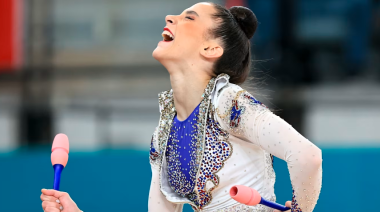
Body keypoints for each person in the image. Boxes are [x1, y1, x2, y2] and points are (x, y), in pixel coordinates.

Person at [40, 2, 322, 212]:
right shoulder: (164, 133)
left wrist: (301, 210)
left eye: (189, 17)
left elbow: (306, 156)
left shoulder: (228, 102)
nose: (170, 17)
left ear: (211, 49)